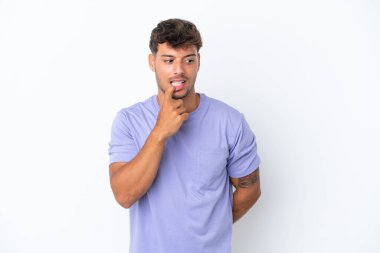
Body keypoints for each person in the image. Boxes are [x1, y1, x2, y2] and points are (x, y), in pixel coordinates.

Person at [108, 18, 261, 253]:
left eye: (188, 60)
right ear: (152, 62)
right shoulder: (129, 121)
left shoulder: (230, 122)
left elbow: (249, 190)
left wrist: (211, 229)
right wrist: (160, 132)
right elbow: (124, 195)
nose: (179, 70)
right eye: (168, 60)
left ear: (198, 62)